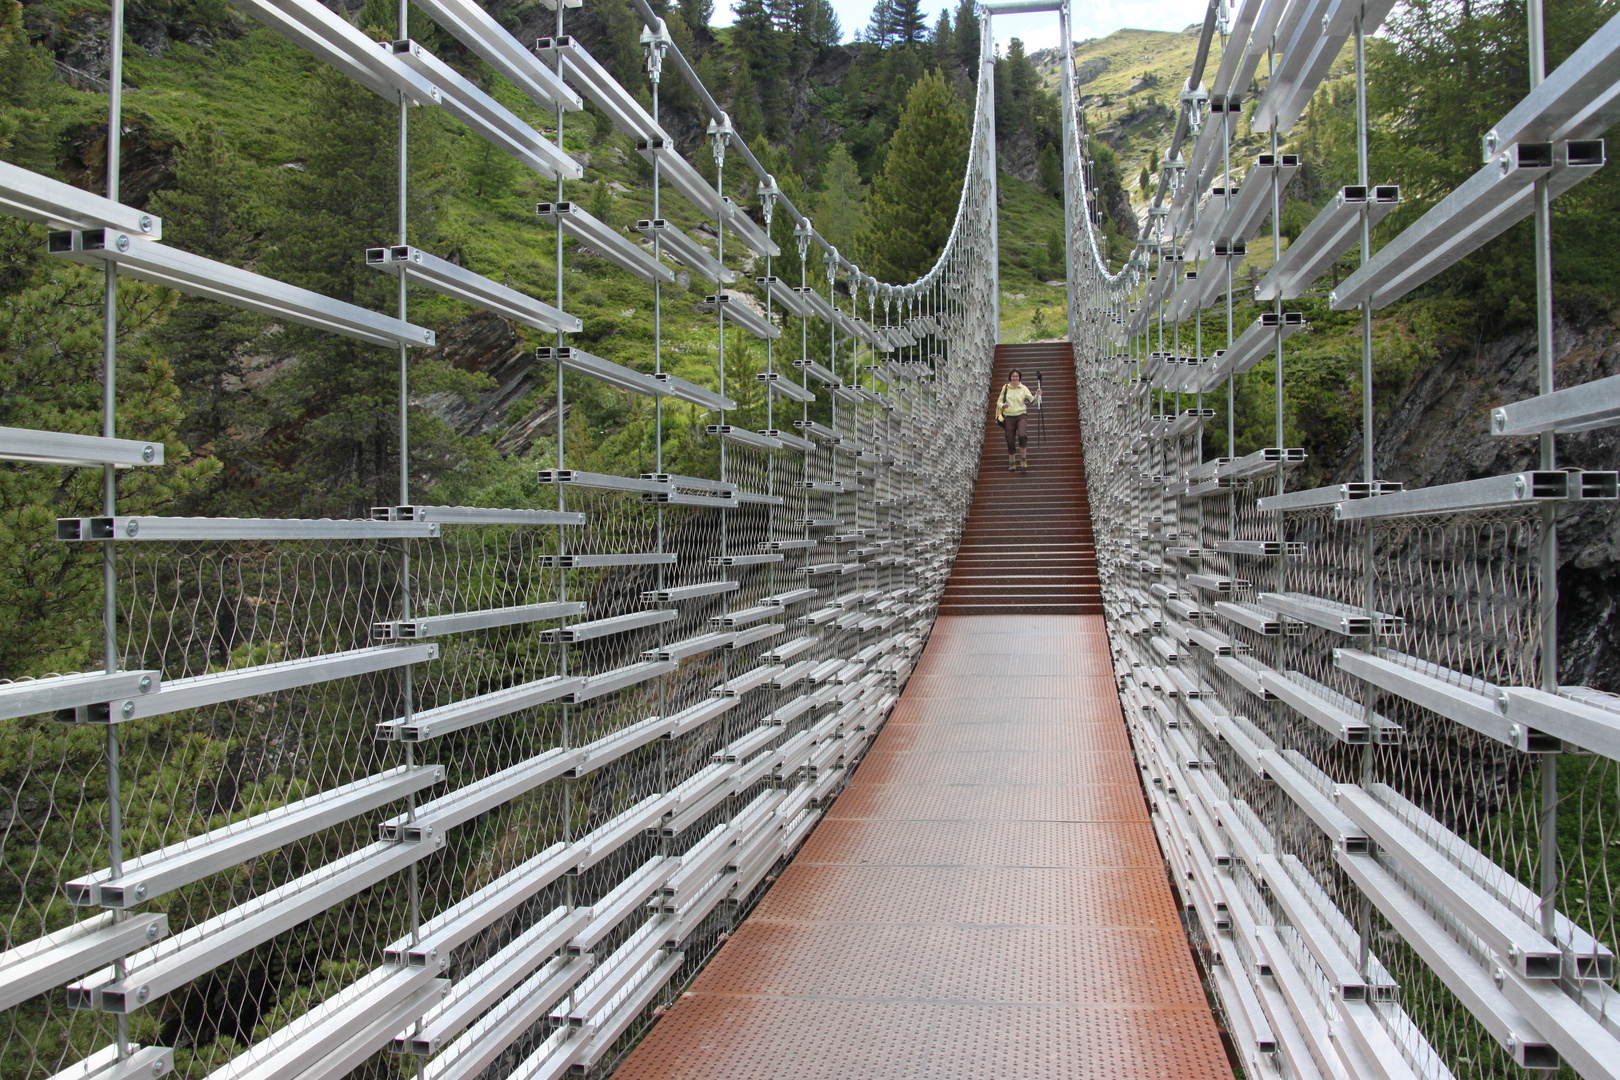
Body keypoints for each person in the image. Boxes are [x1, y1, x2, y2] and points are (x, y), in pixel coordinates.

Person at [996, 369, 1040, 472]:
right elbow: (999, 401)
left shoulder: (1023, 388)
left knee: (1022, 434)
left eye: (1016, 376)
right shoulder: (1006, 388)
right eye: (1013, 376)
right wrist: (1003, 405)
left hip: (1021, 415)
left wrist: (1037, 395)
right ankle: (1012, 463)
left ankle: (1023, 459)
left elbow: (1032, 401)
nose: (1015, 378)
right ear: (1010, 377)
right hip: (1009, 416)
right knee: (1009, 438)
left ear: (1019, 377)